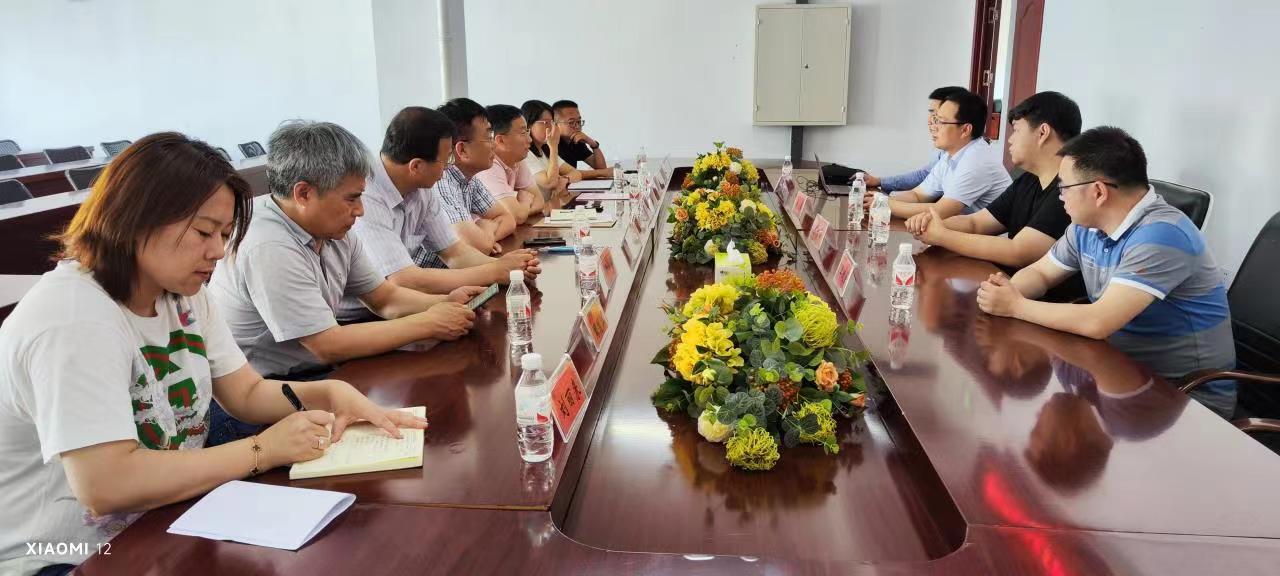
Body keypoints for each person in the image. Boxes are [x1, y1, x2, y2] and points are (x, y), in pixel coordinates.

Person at [0, 134, 426, 576]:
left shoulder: (181, 294)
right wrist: (262, 450)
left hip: (163, 517)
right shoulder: (73, 318)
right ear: (136, 218)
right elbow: (105, 485)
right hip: (65, 556)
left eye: (223, 234)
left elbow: (246, 393)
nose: (219, 251)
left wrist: (331, 394)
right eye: (204, 232)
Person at [976, 126, 1236, 418]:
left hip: (1185, 399)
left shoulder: (1163, 235)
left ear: (1098, 192)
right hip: (1116, 369)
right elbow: (1041, 273)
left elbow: (1098, 321)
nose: (1060, 197)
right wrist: (1008, 290)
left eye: (1064, 187)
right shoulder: (1086, 227)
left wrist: (1015, 306)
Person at [210, 120, 482, 382]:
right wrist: (428, 323)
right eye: (352, 198)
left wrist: (444, 302)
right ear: (303, 194)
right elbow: (327, 344)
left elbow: (385, 298)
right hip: (274, 384)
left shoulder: (332, 228)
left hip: (320, 368)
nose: (360, 210)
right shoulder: (267, 245)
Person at [342, 106, 540, 321]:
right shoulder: (365, 196)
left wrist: (504, 266)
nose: (448, 168)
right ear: (416, 166)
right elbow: (404, 279)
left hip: (406, 305)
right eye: (446, 161)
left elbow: (455, 253)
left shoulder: (421, 186)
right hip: (358, 320)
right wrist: (494, 272)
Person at [906, 91, 1086, 301]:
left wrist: (942, 235)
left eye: (1016, 130)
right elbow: (976, 223)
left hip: (1046, 305)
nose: (1009, 139)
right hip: (1007, 291)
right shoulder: (1028, 180)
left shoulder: (1070, 191)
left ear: (1043, 132)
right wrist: (930, 223)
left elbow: (1018, 252)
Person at [869, 89, 1011, 219]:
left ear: (965, 130)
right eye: (935, 120)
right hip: (961, 230)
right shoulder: (950, 155)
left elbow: (940, 211)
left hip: (989, 237)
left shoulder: (976, 160)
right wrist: (878, 198)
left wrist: (884, 203)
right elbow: (918, 195)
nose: (934, 127)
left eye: (941, 122)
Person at [435, 98, 518, 252]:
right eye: (488, 138)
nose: (494, 145)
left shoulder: (469, 179)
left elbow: (508, 220)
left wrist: (484, 236)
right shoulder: (441, 181)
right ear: (462, 150)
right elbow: (479, 245)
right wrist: (484, 232)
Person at [860, 85, 966, 191]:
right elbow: (924, 176)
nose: (930, 121)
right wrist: (879, 182)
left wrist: (884, 197)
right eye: (932, 114)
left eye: (937, 116)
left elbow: (936, 200)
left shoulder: (968, 159)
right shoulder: (946, 150)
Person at [474, 104, 546, 224]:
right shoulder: (488, 166)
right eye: (523, 133)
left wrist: (520, 209)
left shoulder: (517, 158)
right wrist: (525, 202)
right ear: (501, 140)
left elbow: (539, 202)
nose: (530, 139)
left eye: (527, 131)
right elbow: (517, 216)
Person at [552, 99, 607, 170]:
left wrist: (592, 143)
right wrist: (603, 172)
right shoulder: (551, 143)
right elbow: (564, 173)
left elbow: (601, 168)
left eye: (579, 121)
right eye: (571, 122)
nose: (577, 126)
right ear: (555, 124)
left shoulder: (576, 141)